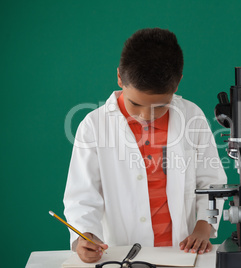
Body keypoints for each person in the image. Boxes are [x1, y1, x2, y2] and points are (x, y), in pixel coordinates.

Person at [63, 28, 227, 263]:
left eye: (160, 106)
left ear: (177, 83)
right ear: (120, 77)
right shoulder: (93, 126)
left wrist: (203, 227)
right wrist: (85, 237)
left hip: (181, 254)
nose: (145, 115)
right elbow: (82, 196)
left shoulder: (192, 117)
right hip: (120, 255)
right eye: (135, 104)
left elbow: (211, 183)